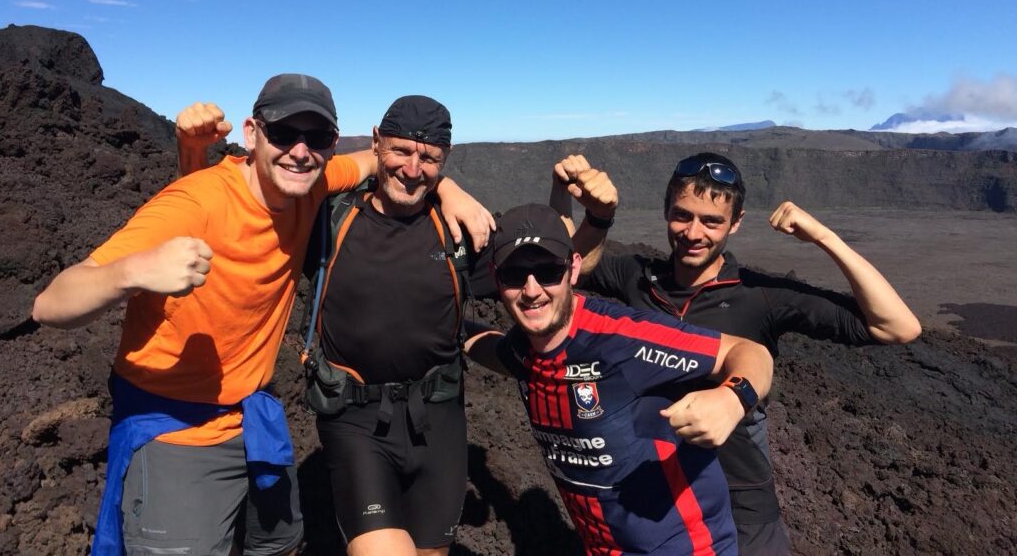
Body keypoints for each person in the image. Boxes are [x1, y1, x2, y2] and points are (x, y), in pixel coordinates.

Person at [32, 75, 491, 556]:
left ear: (332, 145)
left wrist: (451, 189)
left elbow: (394, 166)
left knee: (280, 545)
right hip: (177, 428)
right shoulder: (195, 202)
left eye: (316, 138)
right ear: (252, 133)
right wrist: (131, 271)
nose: (299, 150)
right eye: (283, 134)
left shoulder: (314, 184)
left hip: (254, 417)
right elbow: (51, 303)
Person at [180, 95, 493, 556]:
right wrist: (189, 153)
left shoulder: (458, 230)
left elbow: (551, 274)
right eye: (401, 151)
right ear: (375, 143)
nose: (412, 168)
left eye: (429, 159)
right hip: (354, 419)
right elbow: (227, 223)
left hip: (440, 416)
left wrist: (594, 218)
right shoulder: (328, 218)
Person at [571, 152, 923, 555]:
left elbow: (898, 327)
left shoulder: (759, 295)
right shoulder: (636, 277)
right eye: (682, 215)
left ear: (735, 223)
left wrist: (824, 237)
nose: (693, 232)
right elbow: (567, 270)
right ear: (666, 210)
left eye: (712, 221)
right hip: (649, 490)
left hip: (740, 498)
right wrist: (594, 214)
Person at [470, 202, 774, 555]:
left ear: (573, 269)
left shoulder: (621, 341)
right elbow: (491, 350)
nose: (533, 289)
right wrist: (442, 325)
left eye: (548, 271)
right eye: (515, 274)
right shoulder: (523, 352)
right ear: (496, 278)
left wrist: (732, 398)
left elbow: (751, 354)